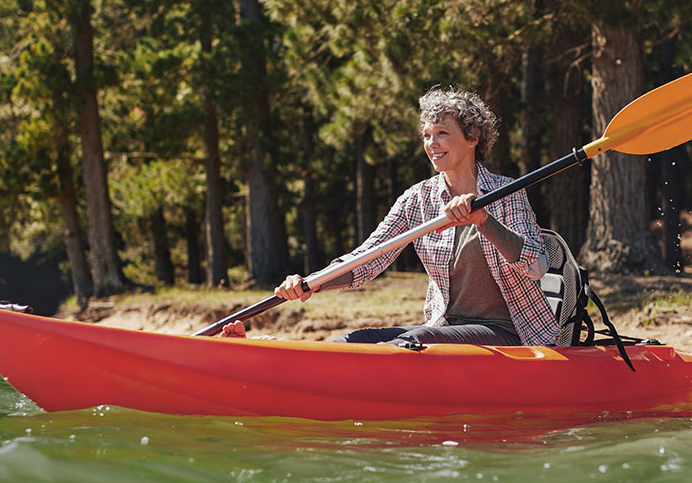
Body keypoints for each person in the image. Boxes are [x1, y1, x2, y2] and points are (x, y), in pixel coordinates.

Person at [222, 87, 559, 347]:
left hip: (508, 332)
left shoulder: (506, 192)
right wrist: (311, 284)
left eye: (442, 133)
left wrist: (483, 220)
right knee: (356, 340)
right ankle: (284, 360)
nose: (432, 143)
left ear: (472, 138)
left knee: (409, 343)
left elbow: (535, 262)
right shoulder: (418, 199)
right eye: (427, 135)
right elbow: (368, 259)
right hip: (445, 328)